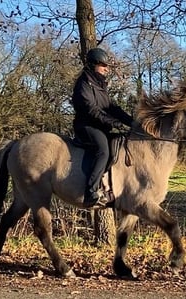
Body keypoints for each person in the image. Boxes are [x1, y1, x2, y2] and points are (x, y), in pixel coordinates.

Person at [72, 47, 133, 207]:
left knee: (118, 145)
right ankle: (91, 191)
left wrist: (132, 122)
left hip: (100, 126)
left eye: (107, 66)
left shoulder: (100, 85)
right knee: (103, 150)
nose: (107, 69)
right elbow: (92, 110)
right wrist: (115, 124)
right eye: (103, 65)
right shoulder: (83, 84)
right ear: (93, 65)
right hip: (86, 126)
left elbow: (112, 107)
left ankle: (109, 187)